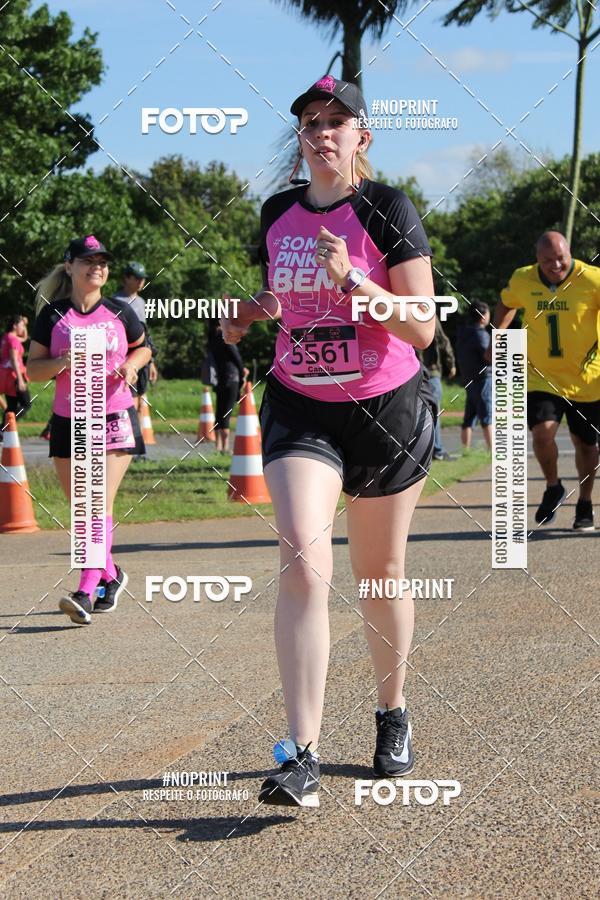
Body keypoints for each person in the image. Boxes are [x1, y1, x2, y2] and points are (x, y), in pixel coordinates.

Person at [221, 75, 436, 808]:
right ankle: (301, 754)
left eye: (336, 122)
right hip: (301, 406)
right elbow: (283, 302)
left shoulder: (387, 209)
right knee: (305, 567)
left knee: (378, 574)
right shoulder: (277, 211)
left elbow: (421, 326)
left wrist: (356, 287)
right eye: (310, 121)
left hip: (384, 406)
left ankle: (391, 711)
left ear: (361, 138)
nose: (321, 132)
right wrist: (248, 315)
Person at [27, 235, 152, 623]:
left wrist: (132, 366)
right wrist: (63, 360)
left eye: (102, 262)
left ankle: (85, 589)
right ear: (70, 267)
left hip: (114, 416)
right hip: (69, 419)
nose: (96, 267)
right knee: (82, 510)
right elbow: (33, 370)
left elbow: (144, 347)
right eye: (88, 261)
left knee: (96, 505)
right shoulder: (52, 316)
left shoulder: (120, 310)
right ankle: (111, 576)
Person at [494, 231, 600, 530]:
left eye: (561, 258)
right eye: (547, 260)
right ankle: (554, 487)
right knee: (542, 435)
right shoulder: (522, 279)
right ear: (537, 259)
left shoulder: (592, 279)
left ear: (570, 252)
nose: (555, 265)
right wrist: (498, 336)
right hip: (541, 376)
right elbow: (505, 304)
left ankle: (585, 503)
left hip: (587, 379)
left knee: (587, 446)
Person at [206, 317, 249, 452]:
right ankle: (225, 447)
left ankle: (218, 446)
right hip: (231, 378)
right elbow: (236, 358)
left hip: (218, 379)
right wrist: (243, 371)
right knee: (227, 411)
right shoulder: (225, 336)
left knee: (219, 411)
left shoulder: (212, 339)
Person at [455, 301, 492, 451]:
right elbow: (488, 355)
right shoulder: (481, 334)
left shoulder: (463, 332)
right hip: (483, 378)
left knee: (469, 417)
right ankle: (493, 450)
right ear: (483, 317)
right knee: (487, 415)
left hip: (468, 378)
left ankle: (466, 450)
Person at [421, 316, 456, 459]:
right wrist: (451, 363)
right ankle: (437, 450)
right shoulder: (428, 315)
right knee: (434, 411)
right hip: (431, 371)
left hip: (410, 372)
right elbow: (442, 340)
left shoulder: (399, 311)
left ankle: (421, 452)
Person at [0, 314, 32, 435]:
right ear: (14, 326)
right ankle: (4, 428)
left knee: (11, 406)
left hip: (6, 376)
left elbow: (24, 338)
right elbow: (14, 360)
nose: (23, 328)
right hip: (14, 376)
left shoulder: (7, 337)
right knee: (26, 404)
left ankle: (3, 430)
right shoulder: (13, 339)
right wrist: (20, 380)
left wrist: (25, 324)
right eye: (21, 325)